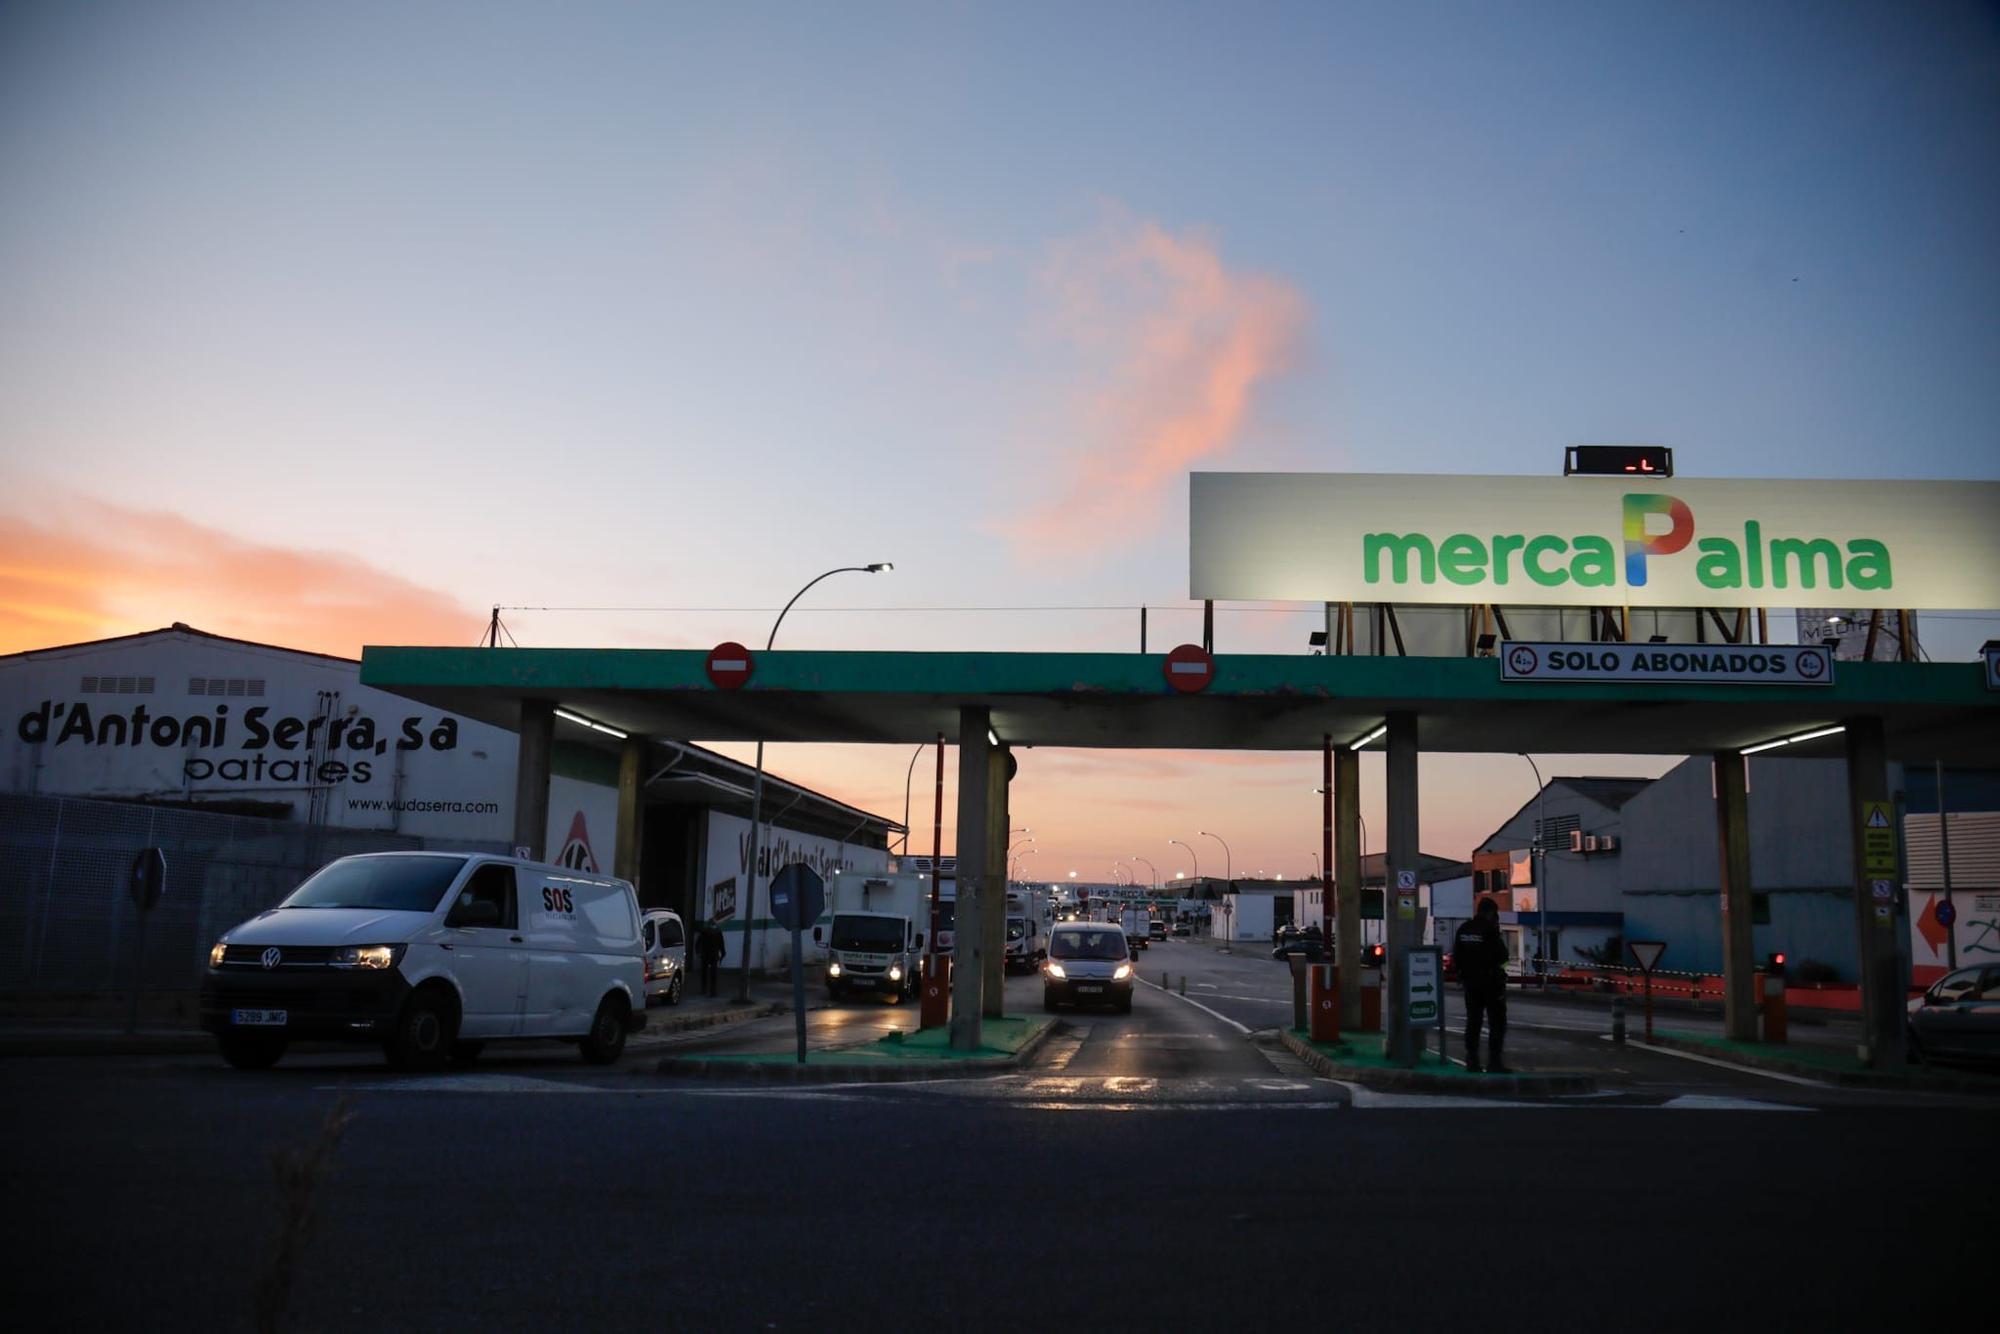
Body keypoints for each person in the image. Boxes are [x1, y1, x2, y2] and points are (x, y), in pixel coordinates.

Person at [1452, 897, 1511, 1073]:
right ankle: (1494, 1062)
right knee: (1497, 1023)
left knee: (1473, 1021)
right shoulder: (1490, 931)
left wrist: (1464, 973)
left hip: (1471, 984)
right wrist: (1500, 971)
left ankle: (1472, 1060)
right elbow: (1503, 957)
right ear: (1491, 913)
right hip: (1491, 984)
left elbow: (1457, 956)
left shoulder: (1464, 929)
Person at [695, 920, 725, 997]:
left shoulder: (704, 932)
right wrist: (723, 953)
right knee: (713, 974)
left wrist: (698, 952)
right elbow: (721, 944)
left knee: (704, 973)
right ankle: (713, 991)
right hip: (714, 954)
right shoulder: (718, 932)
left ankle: (704, 989)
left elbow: (698, 943)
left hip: (705, 954)